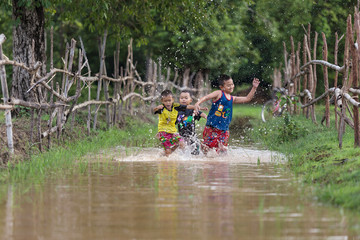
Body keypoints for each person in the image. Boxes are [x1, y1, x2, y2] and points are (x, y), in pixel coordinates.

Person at [195, 74, 260, 154]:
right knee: (207, 148)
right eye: (229, 85)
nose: (231, 86)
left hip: (224, 129)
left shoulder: (233, 98)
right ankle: (200, 156)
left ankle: (221, 165)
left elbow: (247, 98)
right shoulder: (219, 93)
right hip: (212, 127)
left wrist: (254, 87)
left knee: (222, 150)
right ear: (222, 87)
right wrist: (197, 103)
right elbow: (206, 97)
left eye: (232, 84)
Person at [154, 89, 198, 156]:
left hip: (172, 132)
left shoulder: (175, 106)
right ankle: (166, 160)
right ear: (162, 101)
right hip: (163, 132)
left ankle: (184, 158)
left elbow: (187, 106)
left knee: (181, 144)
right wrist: (157, 108)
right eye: (165, 101)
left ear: (173, 100)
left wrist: (195, 107)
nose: (168, 103)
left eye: (169, 100)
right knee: (168, 152)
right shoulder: (161, 109)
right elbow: (154, 110)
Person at [176, 90, 207, 155]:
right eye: (181, 98)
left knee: (195, 151)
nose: (183, 100)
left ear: (190, 100)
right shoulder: (177, 111)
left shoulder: (192, 110)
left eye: (186, 98)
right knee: (181, 151)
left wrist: (207, 117)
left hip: (192, 136)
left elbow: (200, 113)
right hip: (182, 136)